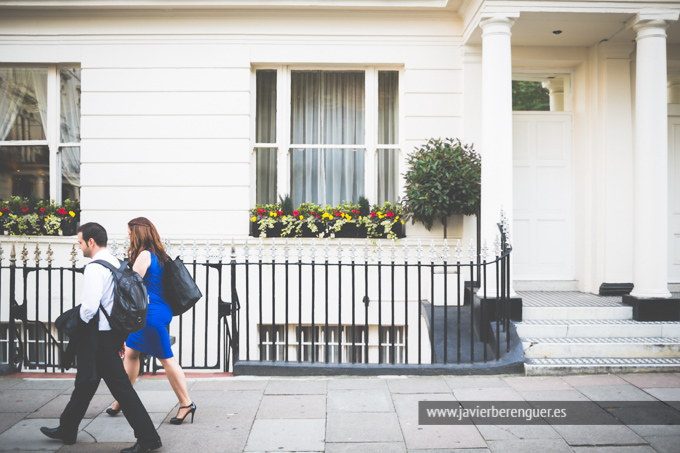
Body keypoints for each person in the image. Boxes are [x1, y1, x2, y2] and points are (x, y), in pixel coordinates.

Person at [40, 222, 162, 453]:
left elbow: (89, 308)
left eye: (80, 242)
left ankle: (149, 438)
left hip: (98, 337)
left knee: (121, 389)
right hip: (112, 334)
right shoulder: (116, 262)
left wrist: (74, 320)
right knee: (86, 382)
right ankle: (67, 428)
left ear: (91, 242)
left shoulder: (95, 267)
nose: (80, 247)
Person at [106, 217, 196, 425]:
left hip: (151, 316)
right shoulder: (159, 255)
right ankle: (122, 400)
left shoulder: (144, 255)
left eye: (129, 233)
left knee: (166, 359)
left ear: (137, 234)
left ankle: (186, 403)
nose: (127, 236)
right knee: (131, 352)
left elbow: (130, 285)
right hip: (159, 311)